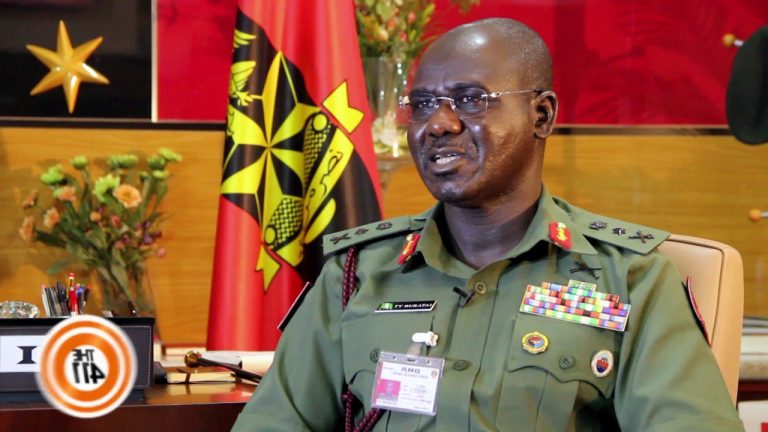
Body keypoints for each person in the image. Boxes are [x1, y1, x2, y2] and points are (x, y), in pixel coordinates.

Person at [232, 18, 744, 431]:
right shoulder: (357, 274)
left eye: (471, 99)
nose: (438, 124)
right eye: (423, 105)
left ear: (541, 116)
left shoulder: (627, 278)